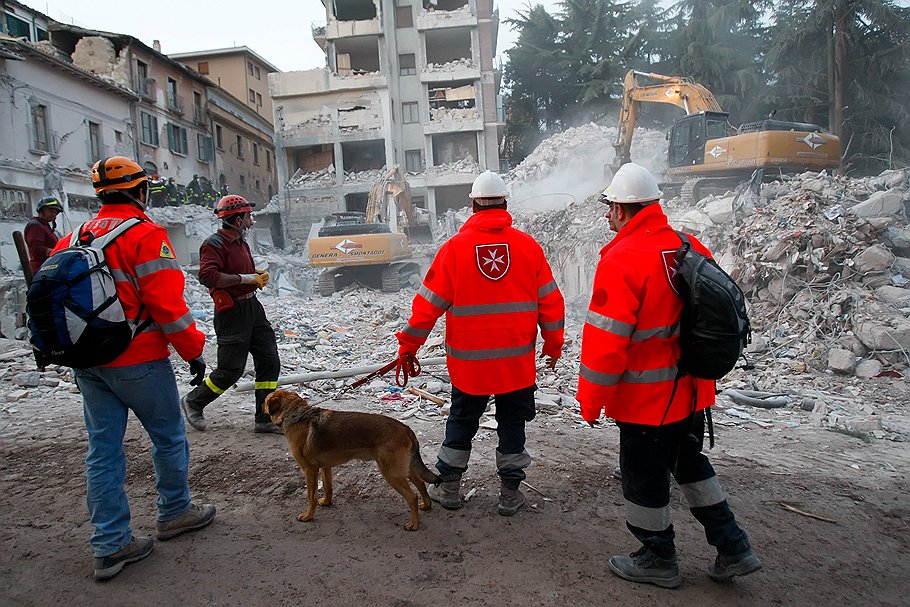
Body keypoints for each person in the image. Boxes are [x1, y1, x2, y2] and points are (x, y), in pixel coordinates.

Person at [576, 163, 761, 589]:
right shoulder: (688, 245)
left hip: (647, 402)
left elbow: (606, 342)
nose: (607, 215)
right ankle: (733, 546)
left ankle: (658, 557)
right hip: (692, 393)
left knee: (643, 478)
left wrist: (590, 399)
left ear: (624, 210)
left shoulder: (622, 259)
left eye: (610, 207)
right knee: (691, 465)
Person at [50, 156, 216, 581]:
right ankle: (174, 513)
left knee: (102, 450)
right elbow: (166, 305)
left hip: (87, 361)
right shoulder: (144, 235)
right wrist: (193, 350)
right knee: (168, 436)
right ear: (141, 191)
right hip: (138, 358)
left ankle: (109, 545)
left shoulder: (69, 238)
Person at [396, 170, 564, 516]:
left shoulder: (454, 250)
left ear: (472, 205)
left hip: (469, 365)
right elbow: (550, 300)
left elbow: (427, 305)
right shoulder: (527, 247)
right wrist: (553, 343)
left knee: (461, 421)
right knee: (512, 425)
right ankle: (509, 494)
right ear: (505, 203)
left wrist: (408, 346)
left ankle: (451, 488)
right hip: (515, 365)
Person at [180, 194, 282, 434]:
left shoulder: (240, 243)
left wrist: (254, 274)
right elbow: (208, 276)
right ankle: (194, 401)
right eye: (248, 217)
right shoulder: (214, 244)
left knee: (269, 360)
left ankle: (264, 418)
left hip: (252, 308)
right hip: (232, 312)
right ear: (237, 220)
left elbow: (235, 271)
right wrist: (248, 278)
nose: (251, 222)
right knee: (231, 369)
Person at [24, 196, 63, 275]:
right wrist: (55, 252)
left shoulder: (45, 226)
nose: (53, 215)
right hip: (42, 270)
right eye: (51, 211)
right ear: (41, 210)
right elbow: (36, 249)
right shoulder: (35, 226)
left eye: (55, 212)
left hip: (50, 267)